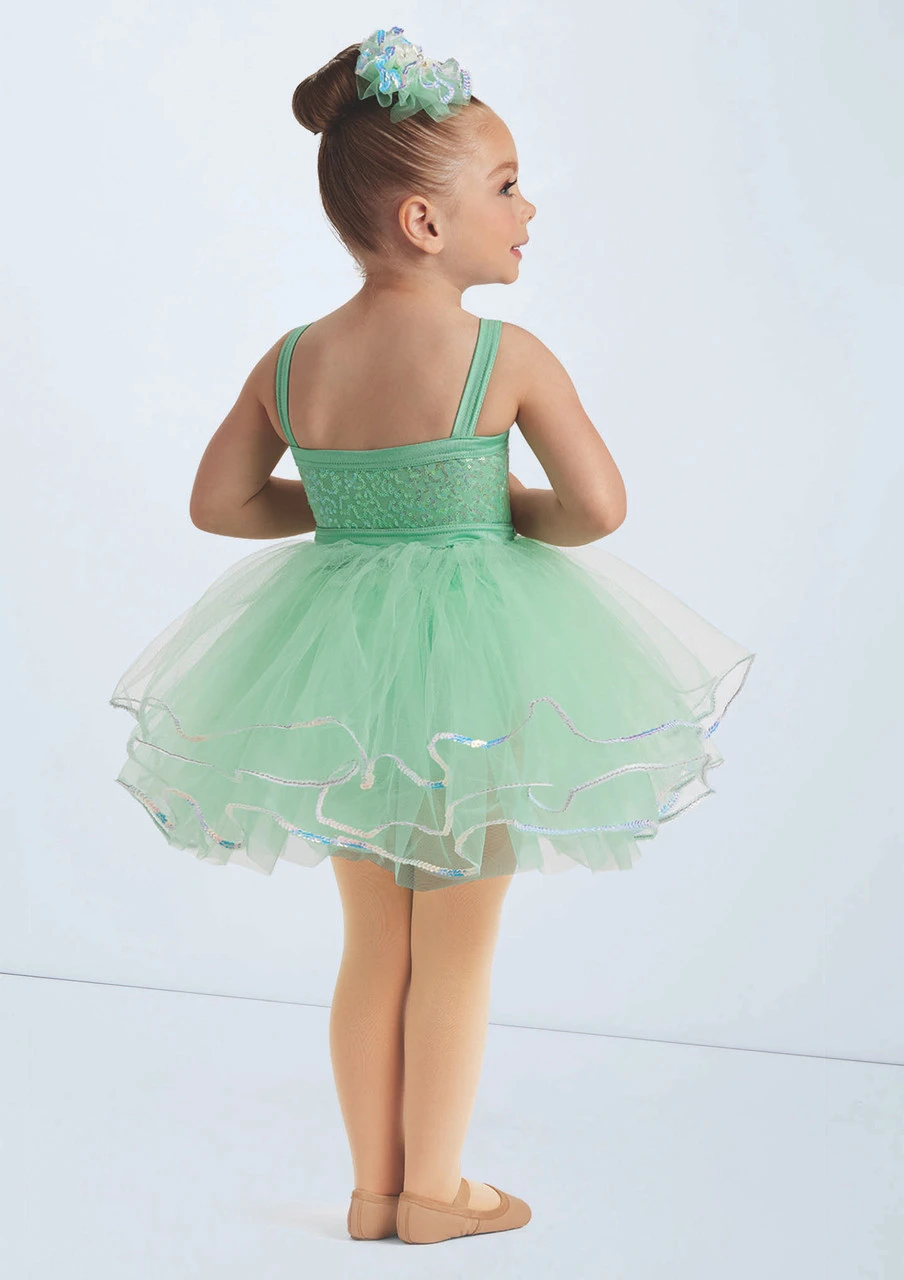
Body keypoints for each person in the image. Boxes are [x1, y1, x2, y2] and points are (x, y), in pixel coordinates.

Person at [109, 27, 756, 1246]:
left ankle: (371, 1192)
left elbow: (222, 504)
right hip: (478, 672)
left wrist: (354, 505)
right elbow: (596, 509)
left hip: (341, 672)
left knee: (374, 941)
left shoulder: (292, 360)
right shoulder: (503, 356)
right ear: (423, 221)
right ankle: (436, 1191)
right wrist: (486, 507)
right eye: (506, 186)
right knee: (457, 941)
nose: (528, 209)